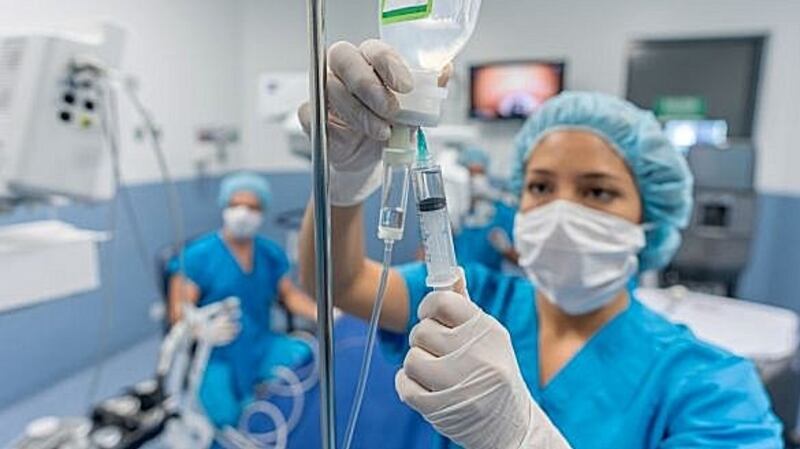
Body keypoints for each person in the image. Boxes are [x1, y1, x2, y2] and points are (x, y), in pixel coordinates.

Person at [297, 40, 783, 448]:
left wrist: (522, 436)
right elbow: (338, 281)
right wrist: (341, 181)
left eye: (597, 191)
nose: (560, 211)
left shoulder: (711, 387)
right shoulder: (477, 303)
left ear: (649, 217)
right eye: (541, 187)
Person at [168, 171, 317, 428]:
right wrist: (200, 328)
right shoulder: (198, 255)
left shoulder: (269, 253)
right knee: (225, 417)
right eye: (236, 205)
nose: (243, 213)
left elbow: (289, 295)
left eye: (252, 207)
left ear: (262, 212)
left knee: (303, 358)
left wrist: (326, 314)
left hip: (260, 343)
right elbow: (178, 312)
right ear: (225, 206)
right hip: (216, 354)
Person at [454, 146, 518, 271]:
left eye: (480, 173)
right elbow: (426, 252)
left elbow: (522, 261)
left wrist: (506, 249)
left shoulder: (502, 212)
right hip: (457, 284)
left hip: (490, 286)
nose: (475, 179)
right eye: (470, 173)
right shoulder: (454, 213)